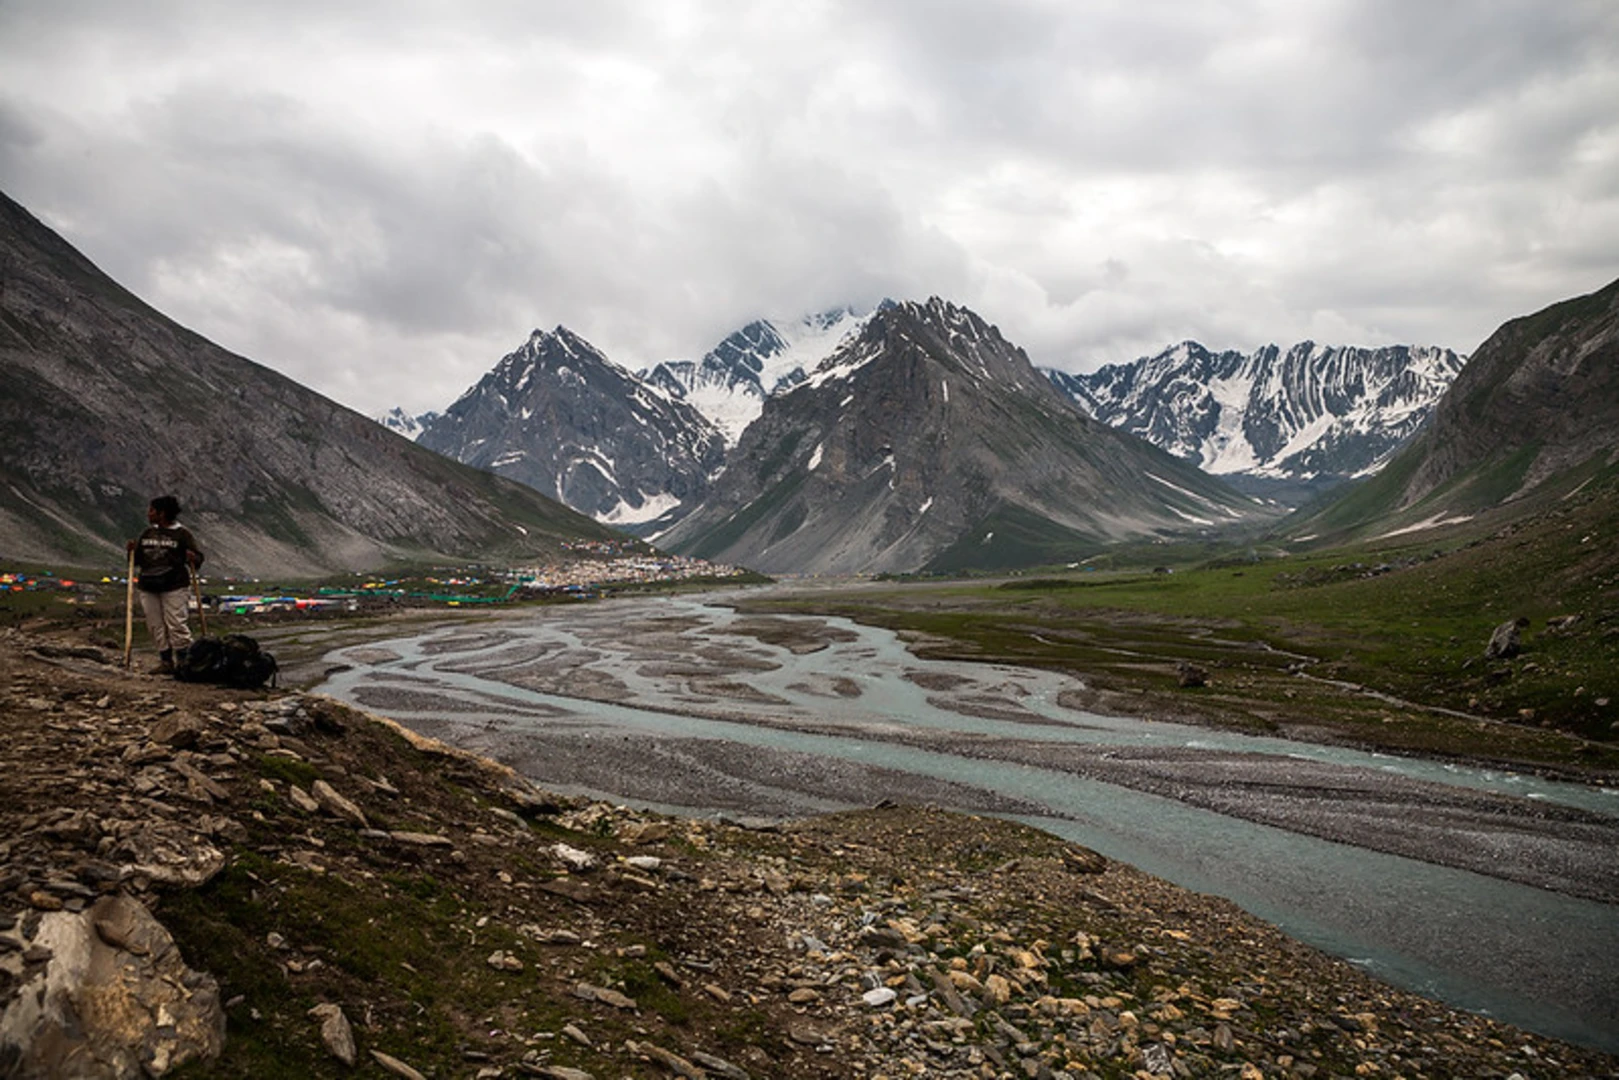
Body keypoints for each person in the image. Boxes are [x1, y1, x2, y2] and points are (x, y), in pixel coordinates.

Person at [128, 495, 205, 675]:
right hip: (148, 584)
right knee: (155, 624)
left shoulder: (182, 534)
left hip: (174, 585)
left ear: (162, 513)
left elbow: (198, 557)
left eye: (152, 510)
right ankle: (166, 661)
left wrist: (194, 558)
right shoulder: (147, 533)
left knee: (176, 622)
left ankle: (185, 662)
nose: (149, 514)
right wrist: (131, 551)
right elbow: (137, 560)